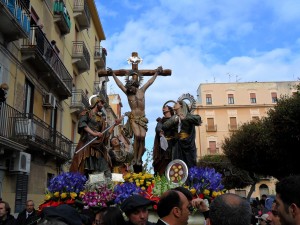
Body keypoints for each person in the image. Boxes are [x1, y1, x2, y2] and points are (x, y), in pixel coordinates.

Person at [108, 66, 163, 166]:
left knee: (142, 137)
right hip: (133, 117)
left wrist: (156, 73)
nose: (130, 89)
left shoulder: (142, 90)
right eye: (129, 87)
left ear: (135, 85)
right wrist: (113, 74)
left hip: (142, 118)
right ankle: (134, 157)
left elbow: (150, 82)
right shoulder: (128, 93)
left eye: (131, 86)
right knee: (137, 136)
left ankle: (139, 158)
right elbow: (120, 85)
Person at [69, 95, 121, 178]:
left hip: (99, 146)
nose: (103, 105)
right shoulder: (86, 113)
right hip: (87, 144)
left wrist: (114, 125)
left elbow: (106, 134)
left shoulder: (101, 119)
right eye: (101, 103)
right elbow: (83, 124)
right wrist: (94, 134)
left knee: (106, 168)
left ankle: (106, 188)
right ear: (96, 102)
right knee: (85, 169)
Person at [162, 100, 202, 169]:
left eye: (176, 103)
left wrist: (185, 118)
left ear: (181, 105)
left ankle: (190, 179)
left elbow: (198, 119)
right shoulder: (174, 117)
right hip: (177, 145)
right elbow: (164, 126)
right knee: (176, 165)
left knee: (189, 164)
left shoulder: (187, 115)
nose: (174, 105)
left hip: (187, 145)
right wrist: (175, 120)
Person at [153, 105, 175, 175]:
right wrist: (160, 132)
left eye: (165, 107)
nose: (163, 109)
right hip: (163, 146)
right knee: (162, 164)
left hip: (173, 145)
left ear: (169, 110)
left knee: (172, 163)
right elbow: (158, 128)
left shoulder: (174, 119)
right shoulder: (161, 121)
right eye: (163, 108)